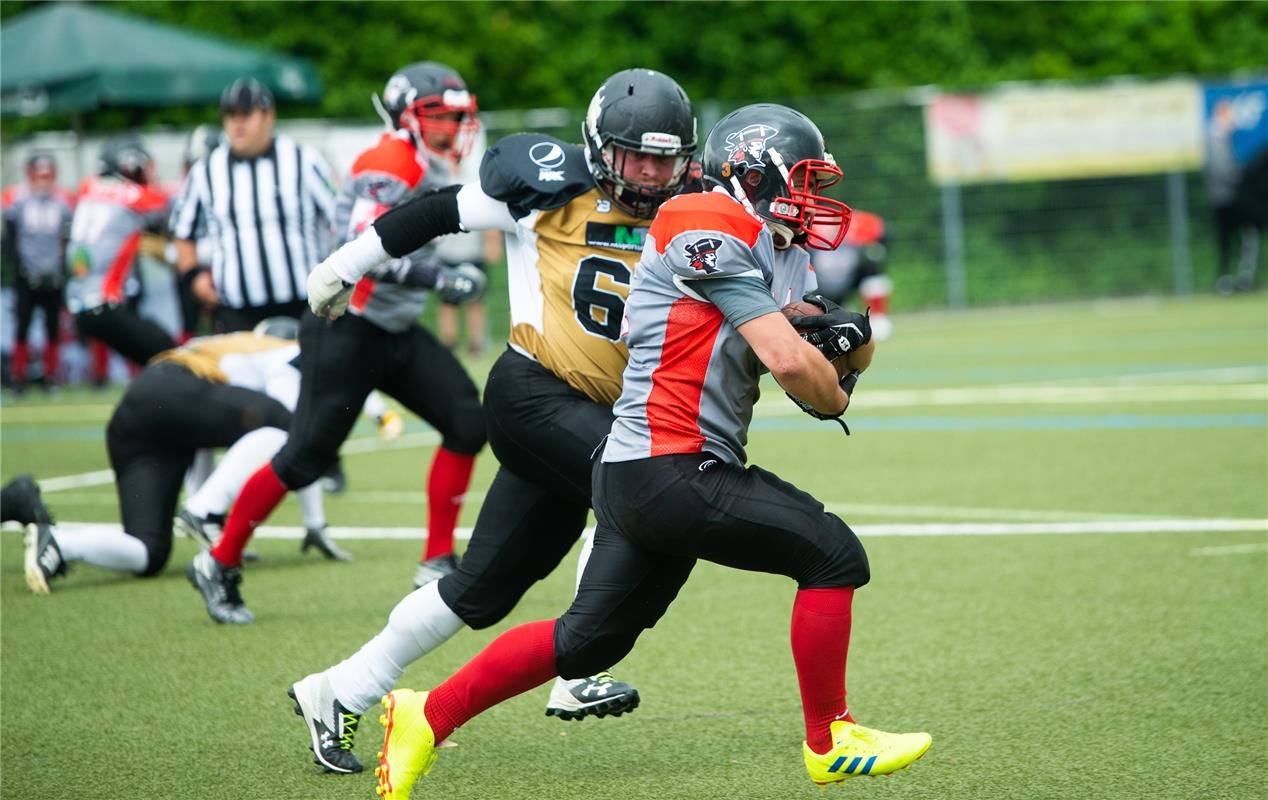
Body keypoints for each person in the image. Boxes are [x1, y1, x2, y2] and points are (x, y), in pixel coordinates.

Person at [359, 104, 931, 799]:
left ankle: (426, 715)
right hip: (671, 463)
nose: (815, 197)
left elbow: (833, 355)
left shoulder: (778, 246)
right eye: (805, 179)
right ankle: (830, 737)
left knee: (586, 642)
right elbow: (795, 369)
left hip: (651, 471)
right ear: (754, 173)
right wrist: (836, 385)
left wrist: (849, 339)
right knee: (832, 554)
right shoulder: (705, 220)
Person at [289, 68, 696, 774]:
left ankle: (337, 690)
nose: (654, 174)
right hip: (532, 395)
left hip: (598, 411)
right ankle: (573, 675)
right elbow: (434, 213)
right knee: (637, 478)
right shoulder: (547, 191)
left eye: (667, 158)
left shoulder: (685, 207)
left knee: (478, 591)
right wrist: (342, 266)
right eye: (638, 156)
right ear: (602, 148)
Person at [187, 61, 490, 627]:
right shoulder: (388, 162)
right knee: (304, 456)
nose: (451, 127)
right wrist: (437, 279)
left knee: (468, 423)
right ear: (407, 117)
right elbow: (360, 250)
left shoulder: (417, 159)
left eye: (456, 115)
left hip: (393, 328)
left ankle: (435, 560)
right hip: (346, 327)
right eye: (440, 115)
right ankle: (218, 560)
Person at [170, 78, 338, 332]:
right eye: (230, 115)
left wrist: (338, 273)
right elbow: (182, 233)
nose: (237, 123)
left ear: (268, 115)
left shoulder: (303, 159)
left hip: (304, 303)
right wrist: (195, 277)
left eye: (246, 114)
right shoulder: (206, 171)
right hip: (237, 310)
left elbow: (341, 215)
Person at [66, 136, 176, 374]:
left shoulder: (88, 188)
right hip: (104, 303)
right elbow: (170, 206)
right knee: (167, 353)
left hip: (81, 302)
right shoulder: (135, 197)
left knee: (148, 349)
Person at [2, 153, 74, 391]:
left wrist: (63, 269)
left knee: (53, 328)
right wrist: (20, 268)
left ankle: (51, 377)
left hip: (53, 274)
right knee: (22, 326)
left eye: (48, 175)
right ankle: (18, 377)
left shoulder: (61, 202)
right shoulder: (19, 200)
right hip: (27, 275)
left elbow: (68, 238)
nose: (44, 181)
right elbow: (9, 238)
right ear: (30, 175)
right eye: (39, 175)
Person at [808, 209, 893, 340]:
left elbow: (881, 237)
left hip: (850, 279)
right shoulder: (810, 224)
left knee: (873, 267)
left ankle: (877, 318)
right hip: (818, 285)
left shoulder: (859, 224)